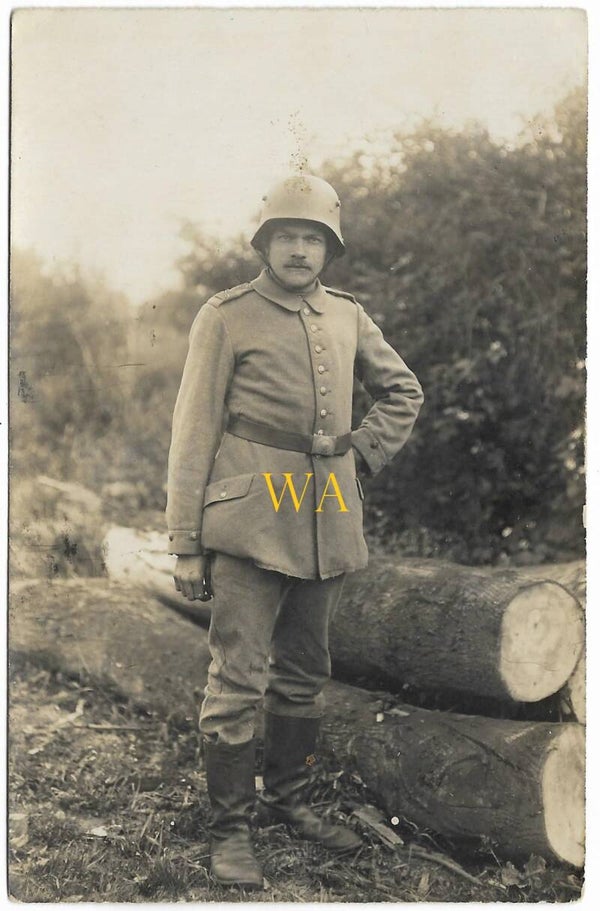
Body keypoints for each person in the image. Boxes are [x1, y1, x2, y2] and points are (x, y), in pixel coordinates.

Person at [166, 174, 424, 889]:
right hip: (251, 519)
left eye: (314, 238)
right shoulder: (226, 315)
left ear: (330, 249)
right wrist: (186, 540)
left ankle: (288, 800)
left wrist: (362, 452)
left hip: (326, 518)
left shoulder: (346, 315)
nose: (301, 250)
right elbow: (192, 433)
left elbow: (403, 389)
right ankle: (229, 831)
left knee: (307, 672)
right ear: (265, 243)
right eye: (288, 236)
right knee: (239, 675)